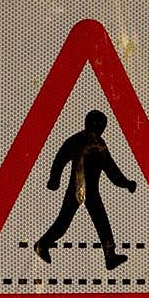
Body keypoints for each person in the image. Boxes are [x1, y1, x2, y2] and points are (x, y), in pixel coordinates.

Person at [34, 110, 136, 270]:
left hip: (86, 191)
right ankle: (42, 244)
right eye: (99, 124)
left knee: (96, 221)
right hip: (78, 189)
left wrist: (126, 183)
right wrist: (54, 180)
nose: (101, 128)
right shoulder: (86, 141)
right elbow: (61, 159)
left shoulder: (92, 143)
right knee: (68, 222)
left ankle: (110, 256)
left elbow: (111, 170)